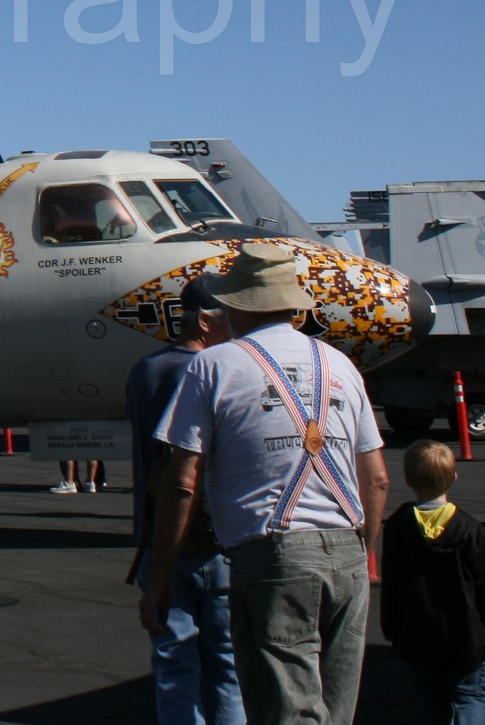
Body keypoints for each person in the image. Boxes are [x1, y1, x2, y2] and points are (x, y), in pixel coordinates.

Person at [142, 241, 389, 725]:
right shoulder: (340, 365)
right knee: (336, 711)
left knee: (284, 710)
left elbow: (182, 482)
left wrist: (161, 576)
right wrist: (363, 551)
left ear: (236, 305)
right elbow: (376, 479)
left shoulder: (213, 366)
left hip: (273, 554)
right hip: (348, 550)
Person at [128, 274, 243, 725]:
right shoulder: (215, 371)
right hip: (217, 539)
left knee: (175, 664)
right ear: (207, 322)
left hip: (157, 536)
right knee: (228, 665)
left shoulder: (145, 370)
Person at [380, 439, 485, 722]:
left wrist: (391, 626)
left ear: (408, 479)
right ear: (453, 477)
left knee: (430, 698)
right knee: (469, 695)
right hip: (464, 634)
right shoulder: (469, 528)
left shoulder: (399, 526)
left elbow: (392, 583)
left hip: (417, 633)